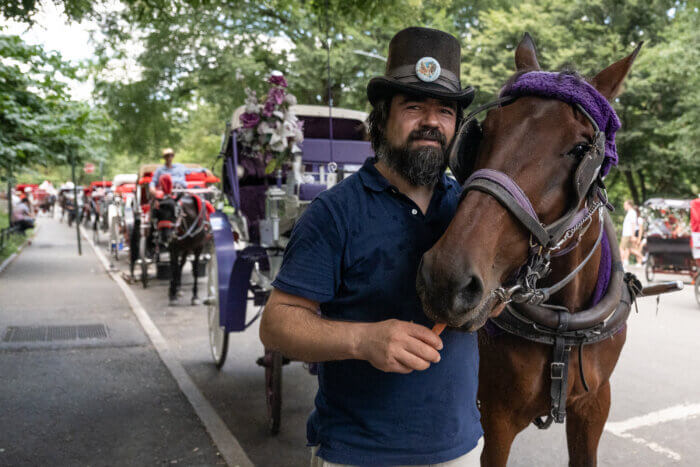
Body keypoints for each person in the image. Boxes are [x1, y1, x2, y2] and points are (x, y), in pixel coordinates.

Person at [260, 27, 483, 466]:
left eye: (444, 110)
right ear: (381, 119)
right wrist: (363, 340)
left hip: (460, 450)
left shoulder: (470, 210)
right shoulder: (334, 213)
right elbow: (277, 324)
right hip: (356, 454)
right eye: (413, 106)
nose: (431, 122)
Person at [620, 199, 643, 265]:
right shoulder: (630, 213)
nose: (624, 206)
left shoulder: (632, 213)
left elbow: (633, 224)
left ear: (628, 205)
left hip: (628, 234)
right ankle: (624, 261)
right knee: (628, 249)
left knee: (622, 248)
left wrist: (632, 235)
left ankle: (622, 262)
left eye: (625, 205)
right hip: (626, 234)